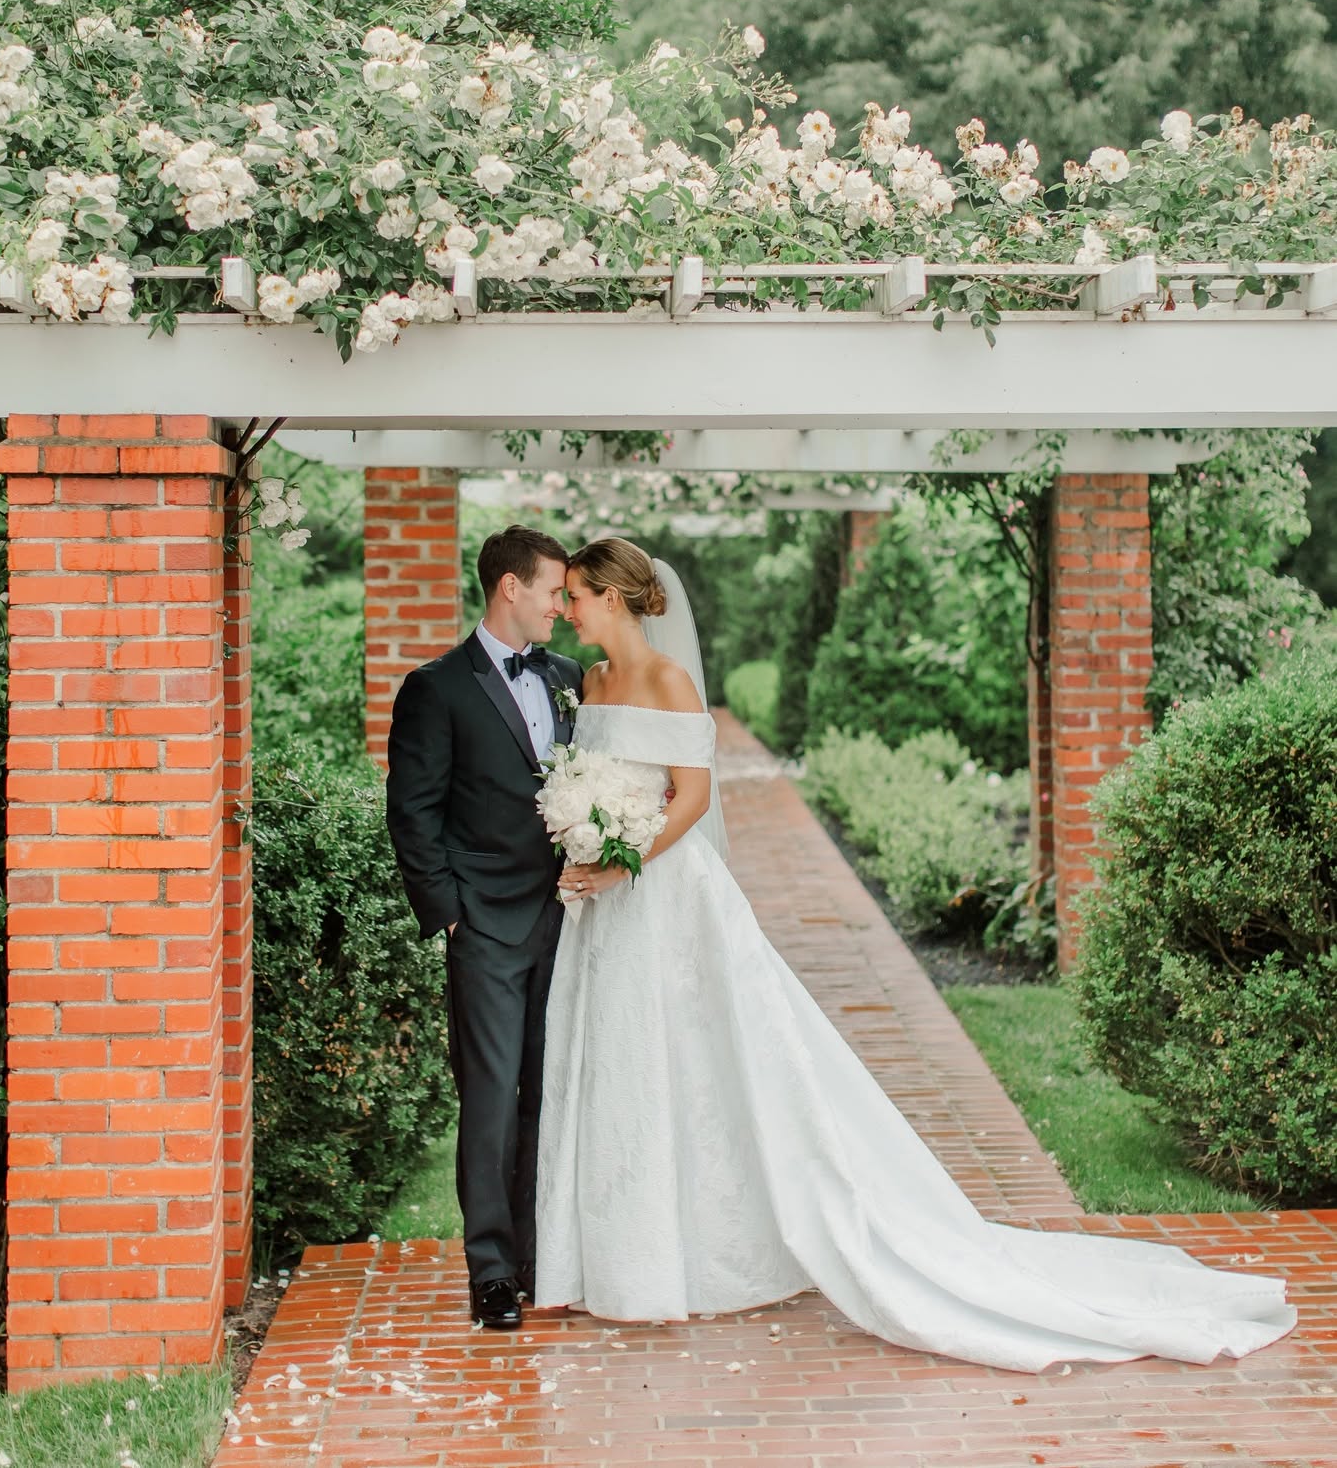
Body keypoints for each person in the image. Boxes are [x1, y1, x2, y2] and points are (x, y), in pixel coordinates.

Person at [534, 536, 1297, 1374]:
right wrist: (584, 840)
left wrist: (624, 857)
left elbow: (694, 796)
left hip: (665, 895)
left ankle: (709, 1250)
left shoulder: (669, 682)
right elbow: (592, 776)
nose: (565, 607)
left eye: (574, 593)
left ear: (613, 596)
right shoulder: (589, 682)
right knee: (620, 1063)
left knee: (704, 1059)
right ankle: (623, 1254)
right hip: (602, 911)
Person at [386, 525, 583, 1330]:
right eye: (552, 592)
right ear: (510, 587)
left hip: (571, 918)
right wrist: (452, 920)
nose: (561, 608)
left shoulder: (570, 679)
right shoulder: (436, 689)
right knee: (492, 1100)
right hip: (488, 929)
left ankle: (542, 1258)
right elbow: (412, 814)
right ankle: (492, 1274)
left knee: (551, 1092)